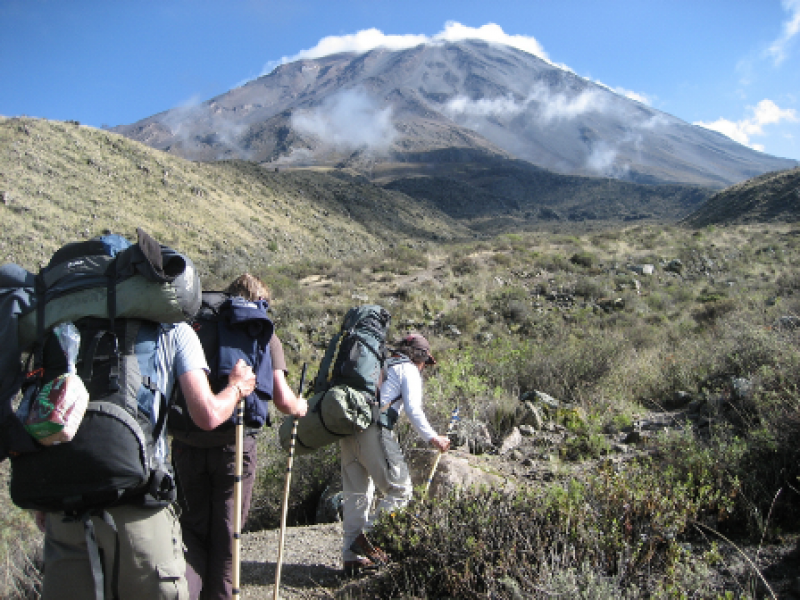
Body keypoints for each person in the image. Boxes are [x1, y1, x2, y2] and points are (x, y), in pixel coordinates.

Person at [33, 320, 257, 600]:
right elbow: (208, 415)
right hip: (139, 508)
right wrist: (237, 388)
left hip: (64, 508)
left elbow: (38, 413)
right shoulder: (174, 330)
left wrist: (43, 497)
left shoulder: (64, 324)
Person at [170, 273, 308, 600]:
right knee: (227, 537)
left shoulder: (195, 325)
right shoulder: (261, 332)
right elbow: (283, 400)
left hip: (187, 443)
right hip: (234, 445)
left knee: (191, 533)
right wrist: (300, 406)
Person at [340, 333, 451, 575]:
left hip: (349, 431)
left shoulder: (381, 364)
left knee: (357, 494)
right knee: (401, 490)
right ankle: (368, 539)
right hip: (375, 429)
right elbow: (413, 408)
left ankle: (351, 558)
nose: (423, 369)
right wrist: (433, 437)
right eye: (425, 363)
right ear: (420, 357)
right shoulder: (408, 369)